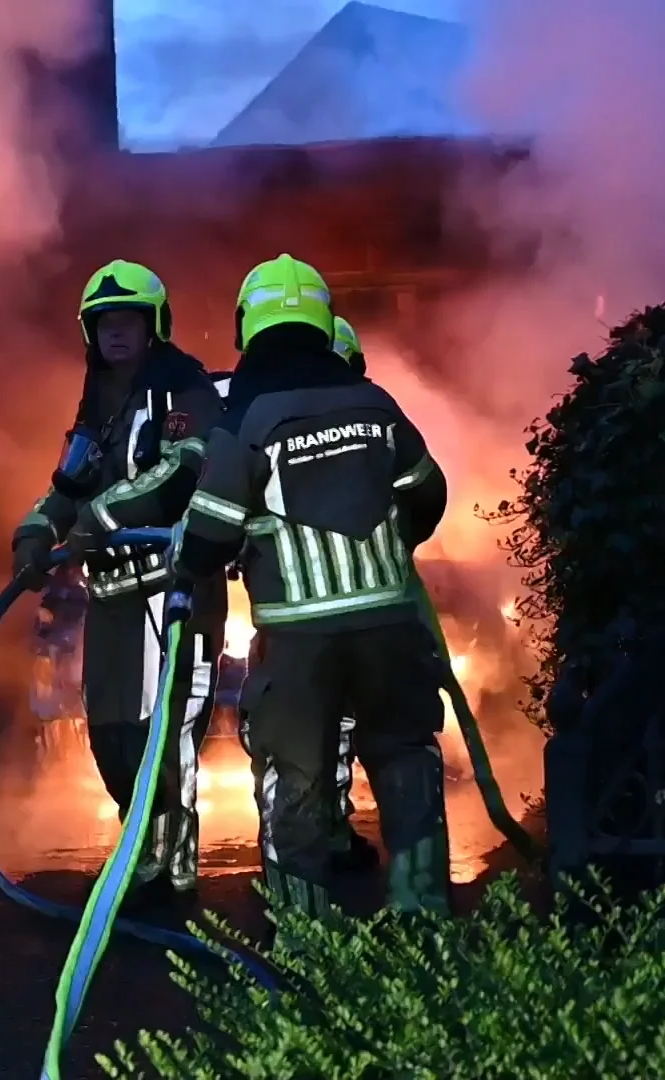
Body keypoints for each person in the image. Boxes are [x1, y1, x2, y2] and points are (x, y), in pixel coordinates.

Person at [169, 254, 453, 922]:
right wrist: (386, 552)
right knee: (406, 760)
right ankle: (425, 918)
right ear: (324, 322)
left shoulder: (247, 419)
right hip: (389, 626)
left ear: (248, 327)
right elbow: (427, 492)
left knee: (294, 780)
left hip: (297, 643)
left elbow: (208, 536)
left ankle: (306, 936)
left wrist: (193, 568)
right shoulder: (375, 403)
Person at [11, 259, 229, 908]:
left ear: (153, 324)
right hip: (111, 598)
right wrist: (34, 532)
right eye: (105, 324)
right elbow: (67, 484)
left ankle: (173, 870)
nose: (116, 334)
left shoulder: (181, 389)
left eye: (128, 321)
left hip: (172, 591)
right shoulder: (96, 402)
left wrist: (99, 521)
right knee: (110, 735)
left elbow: (183, 468)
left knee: (165, 735)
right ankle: (142, 848)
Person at [237, 311, 377, 875]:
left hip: (296, 625)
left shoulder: (261, 420)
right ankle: (313, 864)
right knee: (322, 743)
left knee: (295, 749)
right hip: (349, 623)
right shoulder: (373, 415)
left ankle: (302, 888)